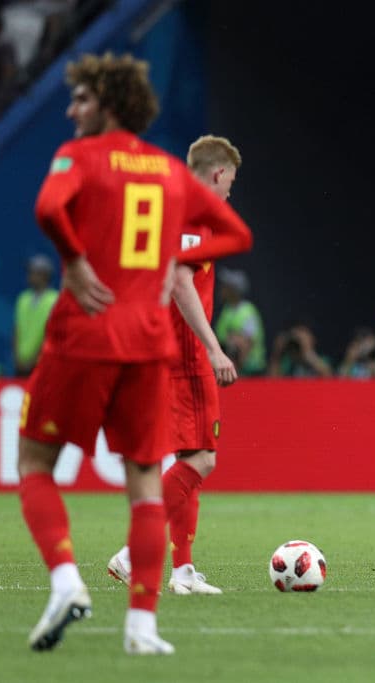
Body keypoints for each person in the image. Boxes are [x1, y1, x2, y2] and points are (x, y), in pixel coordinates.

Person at [17, 53, 252, 656]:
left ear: (108, 105)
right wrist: (172, 260)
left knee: (36, 463)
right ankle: (142, 627)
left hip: (88, 328)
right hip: (148, 344)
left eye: (81, 101)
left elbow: (48, 209)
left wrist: (73, 259)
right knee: (147, 481)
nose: (71, 110)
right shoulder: (166, 171)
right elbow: (237, 236)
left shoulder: (79, 157)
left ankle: (67, 580)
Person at [106, 135, 249, 597]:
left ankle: (183, 571)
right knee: (203, 459)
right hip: (185, 351)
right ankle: (133, 552)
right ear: (217, 174)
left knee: (189, 458)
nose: (231, 192)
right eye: (231, 181)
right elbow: (181, 280)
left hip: (164, 346)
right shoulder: (193, 215)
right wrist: (213, 347)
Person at [213, 267, 267, 375]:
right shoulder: (226, 310)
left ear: (233, 290)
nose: (222, 288)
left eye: (226, 286)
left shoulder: (248, 311)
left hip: (250, 372)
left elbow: (248, 343)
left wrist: (237, 372)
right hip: (231, 368)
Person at [13, 254, 59, 377]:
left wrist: (36, 358)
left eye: (33, 272)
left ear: (44, 275)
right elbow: (17, 330)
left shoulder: (55, 299)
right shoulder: (23, 298)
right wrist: (18, 359)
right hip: (21, 364)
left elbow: (52, 333)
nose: (29, 276)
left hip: (42, 363)